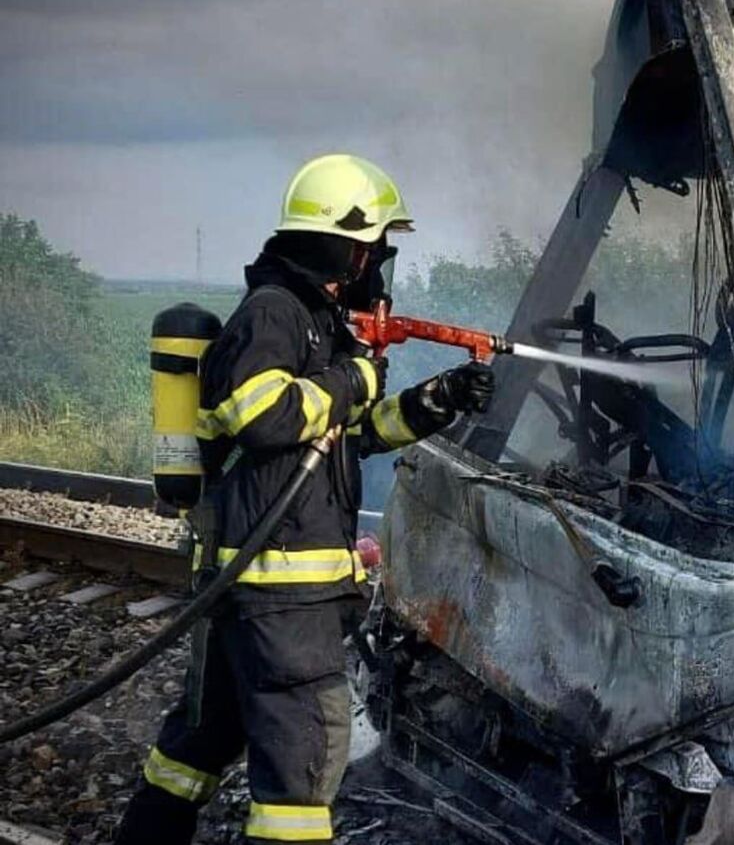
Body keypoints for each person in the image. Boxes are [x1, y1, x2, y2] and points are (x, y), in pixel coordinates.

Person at [115, 154, 494, 845]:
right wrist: (355, 376)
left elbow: (343, 438)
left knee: (198, 744)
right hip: (283, 601)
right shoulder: (275, 314)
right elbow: (259, 414)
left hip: (254, 594)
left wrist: (433, 402)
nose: (380, 259)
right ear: (347, 245)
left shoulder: (314, 319)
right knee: (300, 777)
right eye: (376, 243)